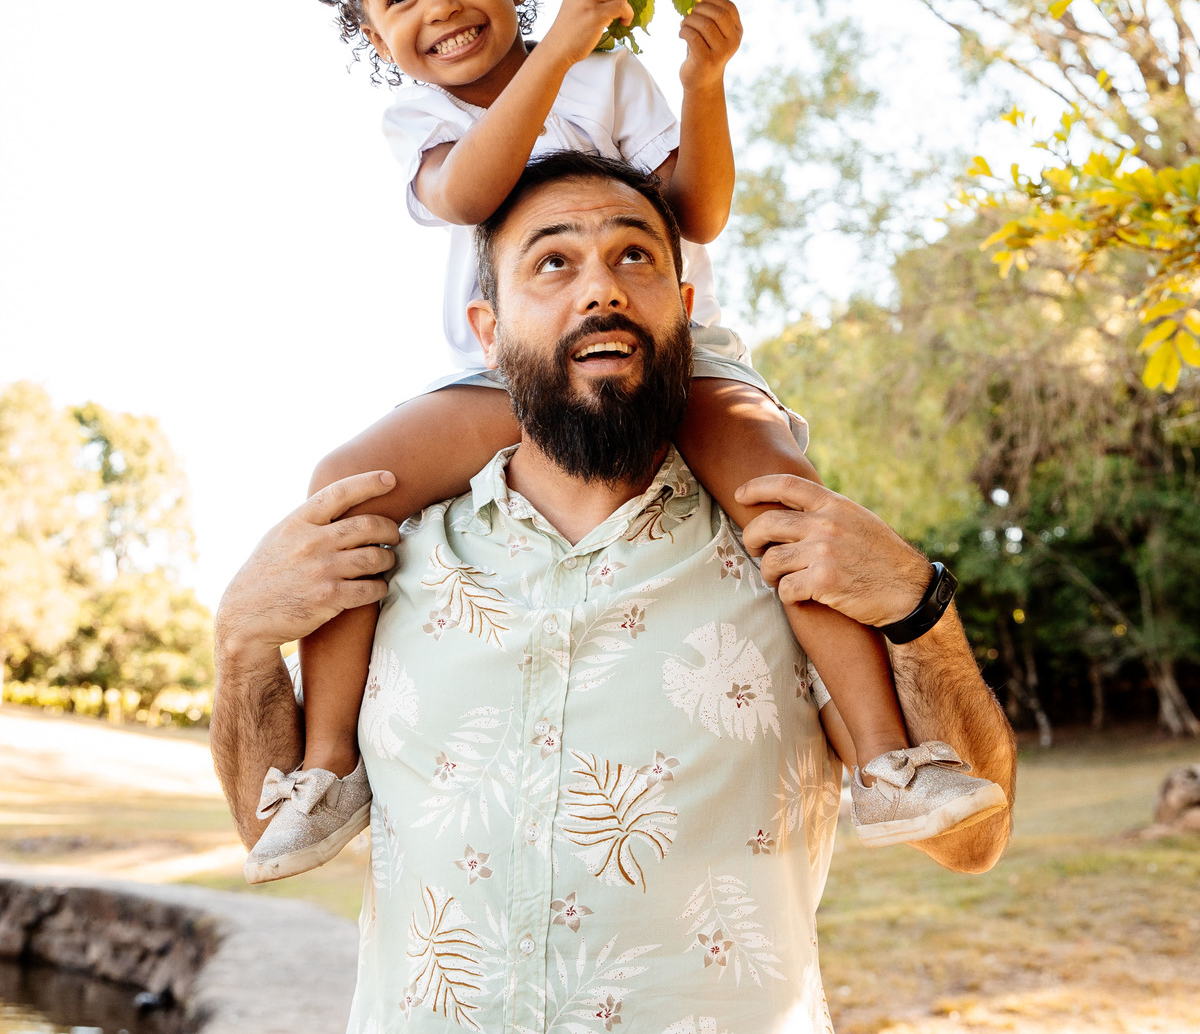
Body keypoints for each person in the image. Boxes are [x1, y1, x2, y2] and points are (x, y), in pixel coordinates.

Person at [243, 0, 995, 883]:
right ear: (376, 34)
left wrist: (701, 84)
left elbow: (697, 211)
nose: (440, 6)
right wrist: (558, 44)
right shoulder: (423, 119)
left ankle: (886, 759)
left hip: (675, 356)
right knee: (348, 483)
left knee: (779, 488)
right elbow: (472, 193)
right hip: (510, 375)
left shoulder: (609, 79)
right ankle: (327, 770)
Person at [211, 155, 1015, 1034]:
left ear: (685, 306)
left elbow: (970, 843)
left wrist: (917, 606)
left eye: (635, 257)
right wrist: (243, 643)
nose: (602, 288)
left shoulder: (794, 555)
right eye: (552, 262)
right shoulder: (381, 559)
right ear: (486, 330)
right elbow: (267, 834)